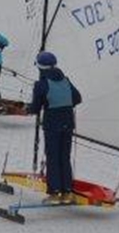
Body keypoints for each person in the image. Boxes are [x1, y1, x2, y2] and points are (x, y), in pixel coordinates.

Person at [26, 51, 82, 202]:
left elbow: (35, 108)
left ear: (40, 68)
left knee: (53, 156)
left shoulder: (41, 85)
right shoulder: (66, 80)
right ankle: (67, 191)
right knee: (64, 156)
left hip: (52, 124)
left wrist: (28, 108)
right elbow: (77, 98)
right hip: (68, 122)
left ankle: (55, 192)